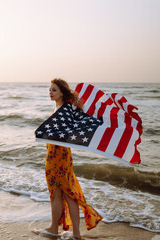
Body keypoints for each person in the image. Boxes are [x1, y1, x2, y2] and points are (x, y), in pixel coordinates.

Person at [34, 78, 103, 239]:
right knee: (62, 191)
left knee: (65, 192)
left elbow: (64, 132)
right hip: (58, 154)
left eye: (54, 90)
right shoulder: (62, 108)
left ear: (62, 92)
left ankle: (57, 229)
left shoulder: (64, 109)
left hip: (58, 155)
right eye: (50, 90)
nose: (50, 93)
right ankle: (66, 231)